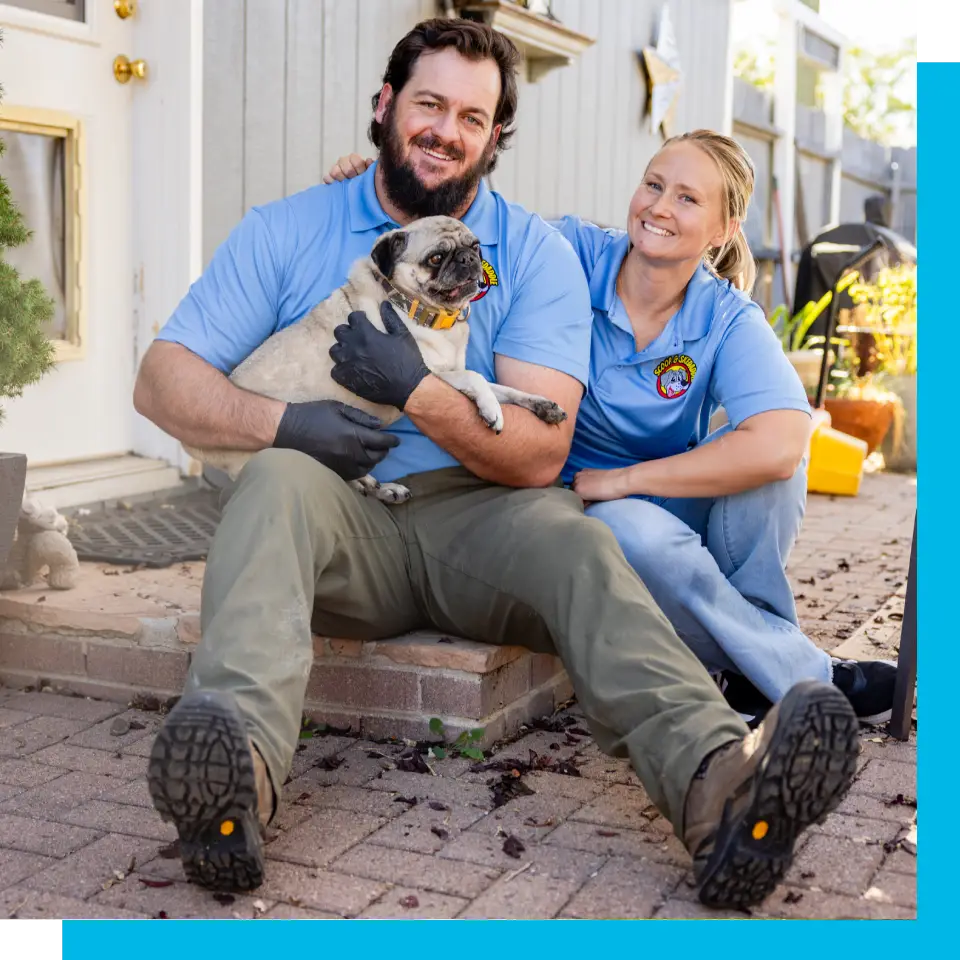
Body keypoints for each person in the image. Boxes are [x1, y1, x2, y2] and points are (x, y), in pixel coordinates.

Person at [135, 18, 860, 910]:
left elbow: (541, 451)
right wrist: (285, 421)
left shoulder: (534, 253)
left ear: (495, 138)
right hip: (334, 508)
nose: (445, 129)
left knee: (581, 545)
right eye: (429, 103)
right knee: (276, 480)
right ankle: (230, 785)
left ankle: (722, 788)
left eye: (472, 117)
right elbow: (161, 383)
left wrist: (417, 392)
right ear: (384, 105)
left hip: (480, 514)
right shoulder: (287, 230)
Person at [326, 132, 898, 729]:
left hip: (643, 494)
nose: (658, 206)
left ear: (724, 230)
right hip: (571, 511)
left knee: (775, 471)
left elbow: (782, 443)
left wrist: (624, 479)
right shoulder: (567, 251)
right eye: (653, 184)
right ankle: (799, 674)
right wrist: (383, 185)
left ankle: (756, 669)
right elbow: (463, 238)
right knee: (632, 530)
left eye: (687, 199)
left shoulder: (724, 316)